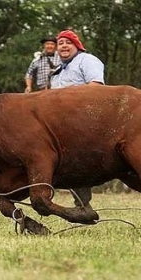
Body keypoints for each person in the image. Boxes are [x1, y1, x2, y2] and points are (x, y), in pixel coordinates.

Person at [50, 29, 105, 210]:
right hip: (60, 124)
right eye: (60, 43)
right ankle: (81, 204)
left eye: (68, 43)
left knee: (74, 160)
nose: (64, 46)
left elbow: (96, 88)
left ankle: (83, 204)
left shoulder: (87, 60)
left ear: (77, 45)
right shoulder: (57, 72)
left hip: (84, 120)